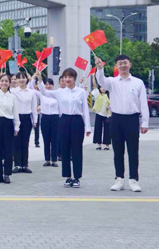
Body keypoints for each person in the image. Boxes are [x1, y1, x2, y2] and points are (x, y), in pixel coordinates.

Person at [95, 55, 149, 193]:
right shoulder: (112, 82)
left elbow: (143, 104)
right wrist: (100, 69)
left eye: (125, 63)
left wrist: (145, 123)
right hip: (116, 119)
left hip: (132, 119)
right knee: (118, 151)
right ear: (116, 66)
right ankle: (119, 179)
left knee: (133, 151)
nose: (123, 66)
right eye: (120, 63)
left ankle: (133, 180)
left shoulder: (138, 82)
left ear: (130, 64)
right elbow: (101, 81)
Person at [37, 68, 91, 188]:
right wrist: (40, 79)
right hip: (64, 120)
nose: (67, 79)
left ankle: (76, 177)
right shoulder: (59, 92)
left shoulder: (81, 92)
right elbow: (45, 92)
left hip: (77, 121)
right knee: (65, 149)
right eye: (65, 77)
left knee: (77, 149)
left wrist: (88, 127)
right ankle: (67, 176)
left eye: (70, 77)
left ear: (74, 79)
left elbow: (85, 110)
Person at [10, 72, 37, 174]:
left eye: (23, 78)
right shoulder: (13, 92)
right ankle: (17, 164)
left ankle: (24, 164)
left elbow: (34, 108)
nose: (21, 80)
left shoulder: (31, 92)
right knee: (16, 142)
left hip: (27, 118)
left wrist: (35, 121)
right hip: (16, 118)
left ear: (27, 79)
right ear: (16, 80)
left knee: (25, 142)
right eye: (19, 78)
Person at [29, 77, 59, 167]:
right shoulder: (41, 94)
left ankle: (54, 159)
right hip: (45, 117)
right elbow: (31, 89)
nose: (48, 86)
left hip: (55, 118)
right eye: (46, 84)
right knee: (46, 139)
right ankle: (47, 159)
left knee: (54, 139)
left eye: (50, 84)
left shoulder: (56, 94)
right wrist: (35, 78)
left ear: (53, 85)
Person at [90, 75, 111, 151]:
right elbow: (94, 85)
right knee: (98, 129)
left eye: (104, 87)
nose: (103, 88)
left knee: (107, 130)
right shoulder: (97, 95)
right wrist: (93, 76)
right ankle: (99, 144)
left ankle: (107, 145)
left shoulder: (109, 96)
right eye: (102, 87)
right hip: (99, 114)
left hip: (107, 115)